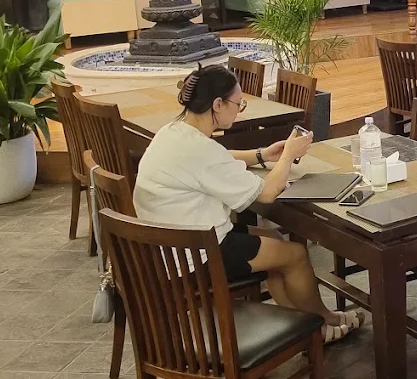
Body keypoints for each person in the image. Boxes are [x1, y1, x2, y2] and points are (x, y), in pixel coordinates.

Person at [132, 65, 366, 344]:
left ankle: (304, 330)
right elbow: (266, 193)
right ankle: (323, 322)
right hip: (197, 256)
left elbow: (219, 157)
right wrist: (287, 156)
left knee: (274, 241)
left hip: (170, 248)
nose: (240, 111)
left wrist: (261, 154)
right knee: (295, 255)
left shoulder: (174, 131)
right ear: (217, 105)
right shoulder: (201, 149)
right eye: (238, 104)